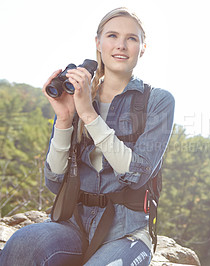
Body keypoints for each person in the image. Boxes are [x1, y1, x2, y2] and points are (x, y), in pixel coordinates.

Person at [0, 7, 174, 266]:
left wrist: (89, 115)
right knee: (23, 244)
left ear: (143, 47)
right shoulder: (80, 95)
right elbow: (55, 181)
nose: (121, 45)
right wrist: (65, 119)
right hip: (72, 224)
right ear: (98, 43)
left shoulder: (157, 101)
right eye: (112, 36)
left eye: (132, 38)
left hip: (125, 233)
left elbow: (136, 175)